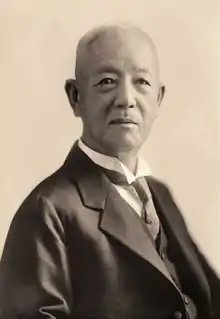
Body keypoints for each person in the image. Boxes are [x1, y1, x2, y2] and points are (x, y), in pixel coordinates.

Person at [0, 22, 219, 319]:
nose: (126, 99)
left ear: (159, 98)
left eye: (141, 82)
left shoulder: (159, 195)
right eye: (106, 82)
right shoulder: (48, 211)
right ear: (76, 97)